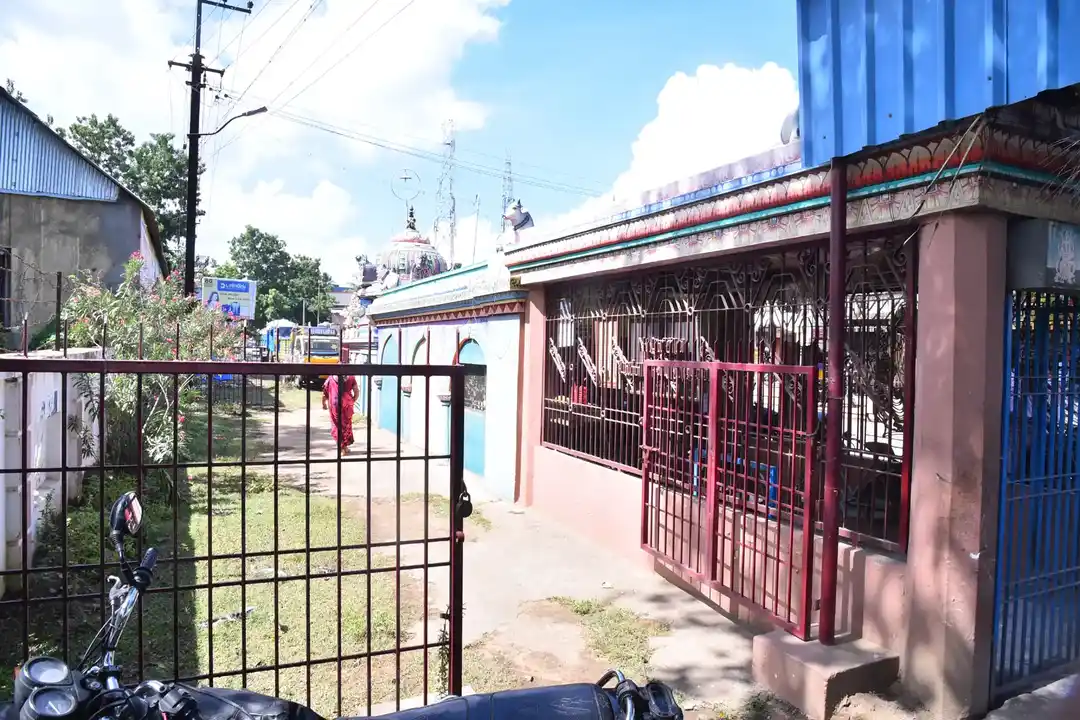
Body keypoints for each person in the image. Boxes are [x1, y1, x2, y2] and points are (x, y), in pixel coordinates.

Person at [322, 373, 359, 454]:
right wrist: (352, 401)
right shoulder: (351, 377)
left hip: (335, 404)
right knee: (346, 426)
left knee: (337, 425)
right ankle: (344, 447)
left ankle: (342, 448)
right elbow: (356, 392)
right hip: (347, 404)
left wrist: (323, 403)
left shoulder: (331, 378)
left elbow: (325, 393)